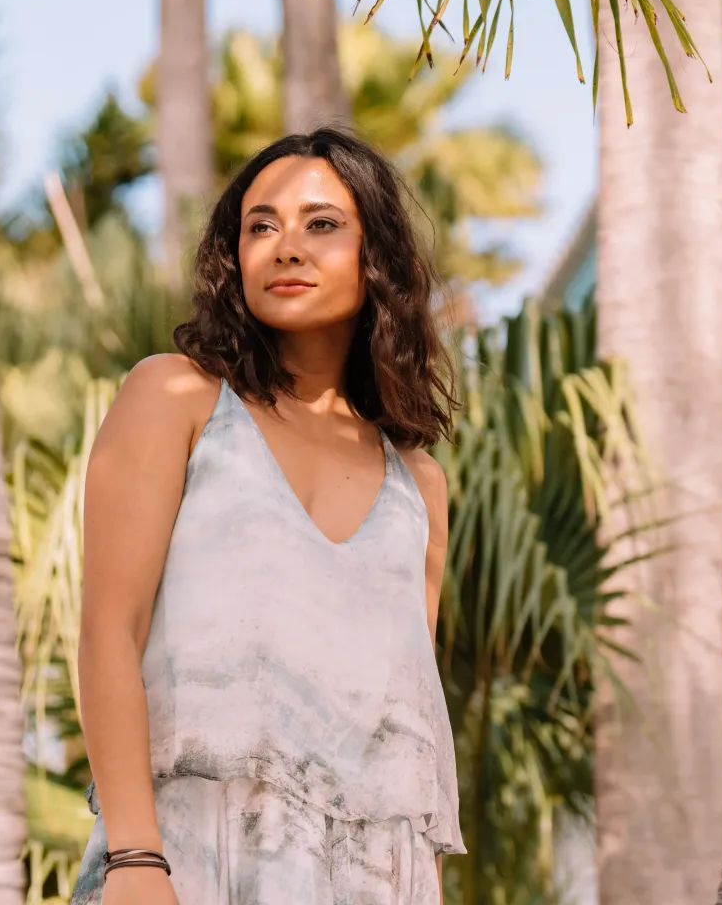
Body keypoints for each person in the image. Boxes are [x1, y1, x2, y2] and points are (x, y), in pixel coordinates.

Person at [71, 129, 465, 905]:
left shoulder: (419, 488)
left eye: (322, 224)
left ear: (376, 255)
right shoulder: (177, 398)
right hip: (183, 858)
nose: (287, 246)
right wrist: (135, 857)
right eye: (261, 225)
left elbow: (405, 745)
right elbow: (109, 631)